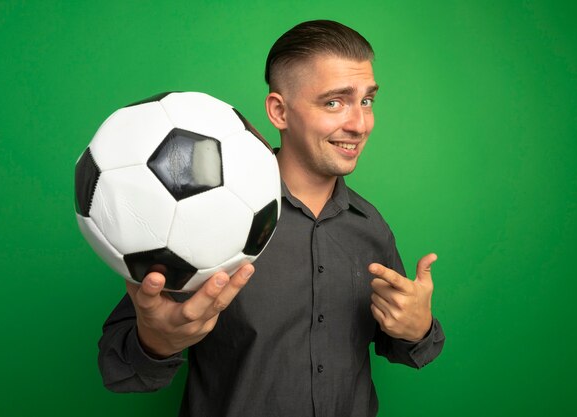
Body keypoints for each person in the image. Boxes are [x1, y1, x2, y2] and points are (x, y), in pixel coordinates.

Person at [98, 20, 445, 417]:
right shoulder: (203, 215)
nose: (359, 124)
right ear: (279, 111)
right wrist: (155, 341)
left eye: (366, 101)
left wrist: (417, 329)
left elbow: (401, 345)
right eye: (334, 102)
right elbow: (119, 370)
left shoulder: (369, 226)